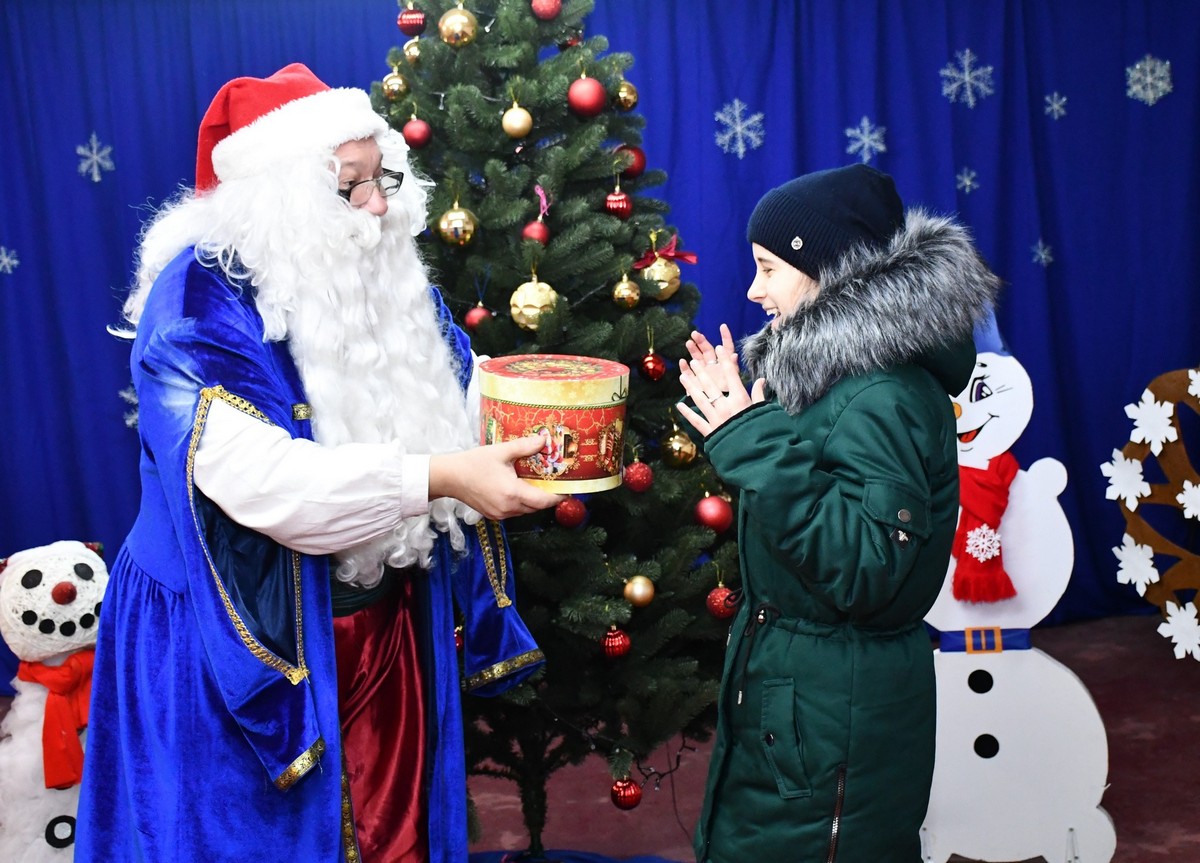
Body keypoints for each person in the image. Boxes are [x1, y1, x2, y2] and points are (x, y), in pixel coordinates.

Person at [75, 63, 562, 863]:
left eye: (384, 178)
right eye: (352, 187)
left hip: (384, 623)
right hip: (224, 641)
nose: (380, 205)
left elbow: (452, 393)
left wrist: (536, 428)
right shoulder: (197, 305)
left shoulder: (381, 271)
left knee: (392, 835)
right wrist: (440, 476)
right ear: (280, 201)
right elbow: (269, 488)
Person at [676, 164, 999, 862]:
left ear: (827, 266)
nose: (754, 289)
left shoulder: (884, 395)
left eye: (768, 268)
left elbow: (866, 571)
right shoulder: (833, 384)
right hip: (803, 712)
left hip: (832, 726)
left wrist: (749, 436)